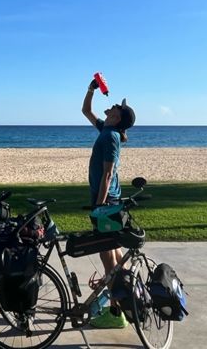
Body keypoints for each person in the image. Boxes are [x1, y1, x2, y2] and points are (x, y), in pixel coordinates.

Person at [82, 77, 136, 329]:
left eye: (116, 107)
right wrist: (91, 89)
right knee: (114, 255)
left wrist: (99, 207)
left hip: (108, 202)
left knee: (108, 259)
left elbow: (107, 173)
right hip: (107, 201)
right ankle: (124, 302)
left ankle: (116, 313)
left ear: (118, 117)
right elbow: (86, 111)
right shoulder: (106, 129)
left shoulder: (112, 137)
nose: (112, 105)